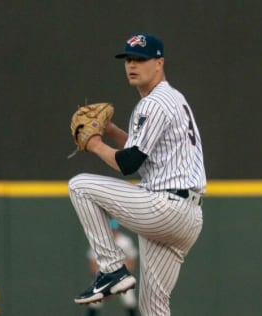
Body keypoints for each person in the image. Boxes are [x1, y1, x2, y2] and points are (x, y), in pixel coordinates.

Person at [69, 33, 206, 316]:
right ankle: (114, 271)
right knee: (153, 306)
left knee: (80, 186)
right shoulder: (173, 98)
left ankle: (111, 268)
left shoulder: (153, 103)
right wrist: (109, 130)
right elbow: (146, 157)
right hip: (188, 217)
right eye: (129, 59)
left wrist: (95, 144)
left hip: (165, 207)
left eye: (141, 59)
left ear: (159, 63)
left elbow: (129, 163)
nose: (132, 65)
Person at [86, 219, 138, 316]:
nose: (113, 232)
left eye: (114, 229)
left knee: (129, 300)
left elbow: (131, 261)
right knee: (93, 301)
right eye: (110, 229)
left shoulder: (125, 241)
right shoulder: (98, 241)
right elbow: (93, 262)